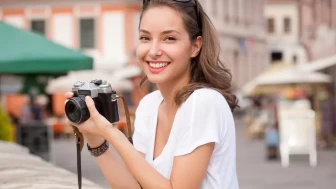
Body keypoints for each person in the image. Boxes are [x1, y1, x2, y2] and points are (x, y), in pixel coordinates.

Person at [65, 0, 239, 188]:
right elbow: (135, 187)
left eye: (169, 38)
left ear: (195, 46)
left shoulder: (203, 101)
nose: (153, 51)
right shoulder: (149, 105)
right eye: (145, 38)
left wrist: (111, 132)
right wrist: (94, 136)